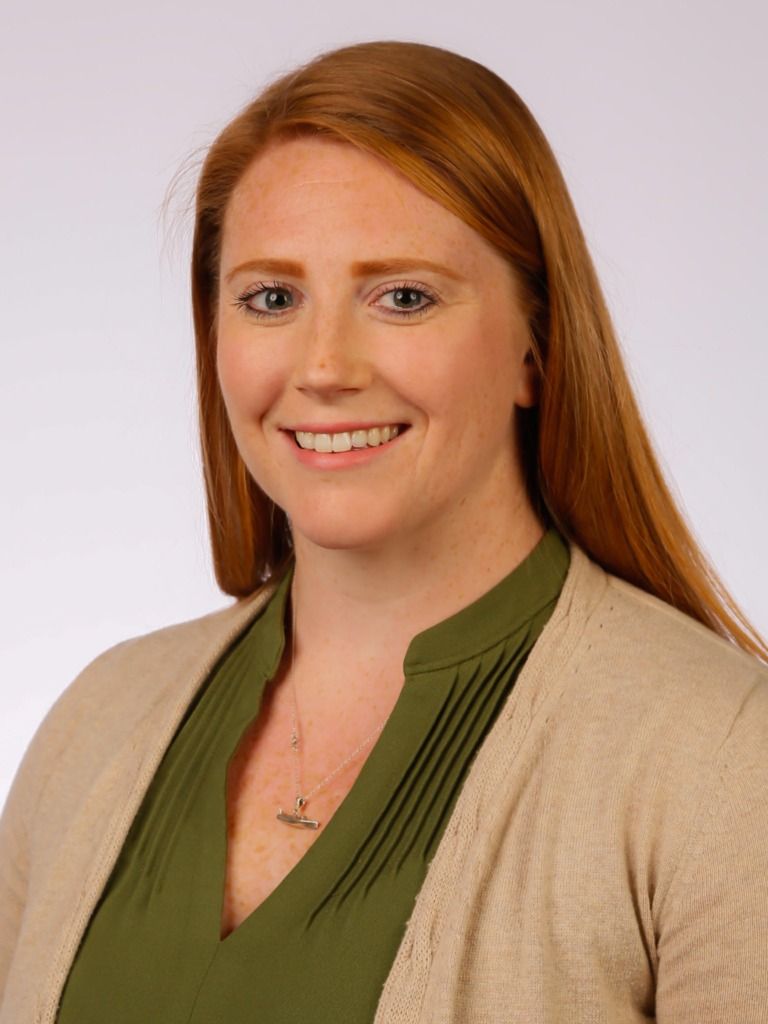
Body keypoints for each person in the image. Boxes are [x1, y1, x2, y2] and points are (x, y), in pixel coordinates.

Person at [1, 39, 766, 1024]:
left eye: (402, 297)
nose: (323, 366)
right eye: (270, 298)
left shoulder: (720, 767)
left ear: (537, 344)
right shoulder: (94, 725)